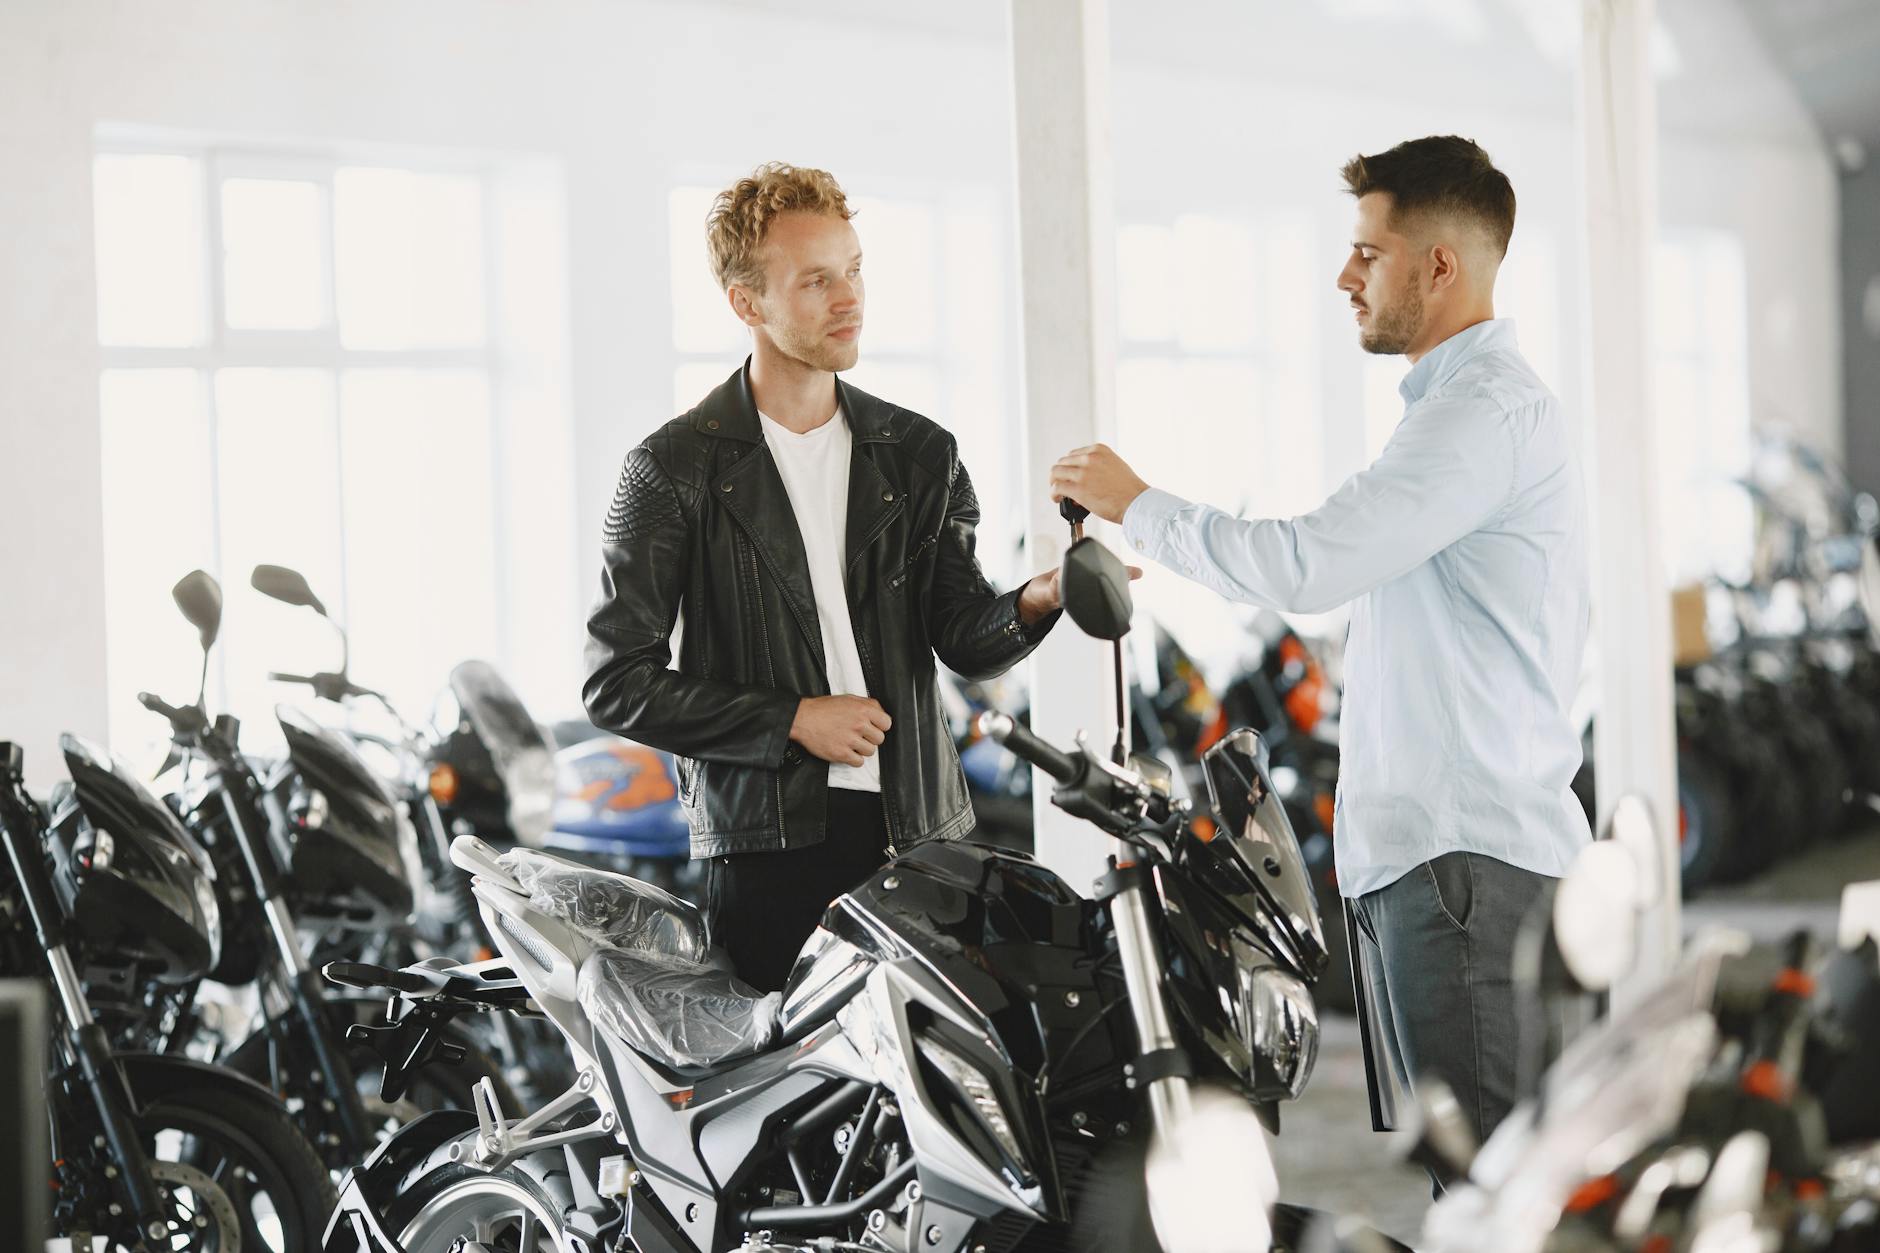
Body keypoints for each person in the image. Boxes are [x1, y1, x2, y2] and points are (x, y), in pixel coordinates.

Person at [1049, 135, 1590, 1148]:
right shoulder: (1455, 410)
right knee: (1483, 1174)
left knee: (1491, 1188)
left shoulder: (1476, 413)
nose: (1343, 275)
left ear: (1439, 264)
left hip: (1464, 869)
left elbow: (1306, 564)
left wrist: (1137, 504)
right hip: (1447, 864)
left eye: (1367, 252)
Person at [584, 163, 1063, 993]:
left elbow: (960, 638)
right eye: (816, 280)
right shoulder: (669, 470)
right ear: (748, 303)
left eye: (854, 268)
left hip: (919, 833)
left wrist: (1038, 599)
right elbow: (616, 684)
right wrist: (791, 720)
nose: (850, 298)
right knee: (788, 1107)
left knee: (935, 1108)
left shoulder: (920, 454)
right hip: (768, 852)